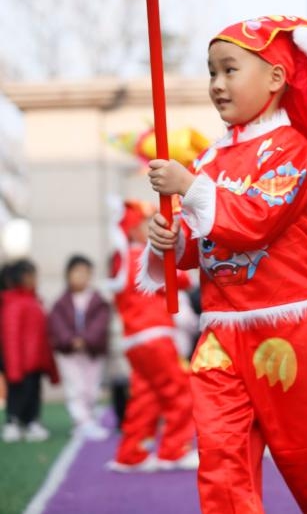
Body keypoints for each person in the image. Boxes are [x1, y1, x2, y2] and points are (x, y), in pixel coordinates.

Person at [143, 15, 307, 513]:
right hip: (221, 335)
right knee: (222, 465)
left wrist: (188, 189)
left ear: (275, 77)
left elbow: (256, 221)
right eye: (211, 72)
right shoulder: (208, 159)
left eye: (229, 70)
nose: (217, 84)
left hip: (291, 331)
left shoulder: (293, 148)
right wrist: (169, 239)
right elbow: (199, 247)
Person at [106, 200, 197, 472]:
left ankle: (131, 454)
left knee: (146, 395)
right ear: (133, 229)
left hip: (134, 338)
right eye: (147, 224)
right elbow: (181, 280)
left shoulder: (122, 258)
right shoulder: (142, 255)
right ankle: (174, 451)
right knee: (179, 391)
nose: (153, 227)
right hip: (154, 334)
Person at [48, 254, 111, 440]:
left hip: (92, 351)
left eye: (85, 273)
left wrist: (85, 339)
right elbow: (57, 325)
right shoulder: (61, 302)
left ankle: (87, 418)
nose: (80, 277)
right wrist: (71, 340)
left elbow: (100, 324)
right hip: (69, 353)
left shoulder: (98, 300)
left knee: (91, 388)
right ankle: (81, 422)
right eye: (76, 273)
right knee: (75, 387)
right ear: (68, 275)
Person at [1, 259, 59, 442]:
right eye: (33, 275)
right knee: (18, 393)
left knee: (33, 393)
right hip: (20, 363)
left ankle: (32, 421)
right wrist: (14, 366)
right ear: (23, 277)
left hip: (35, 362)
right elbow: (10, 337)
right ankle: (12, 422)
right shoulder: (14, 303)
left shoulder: (34, 301)